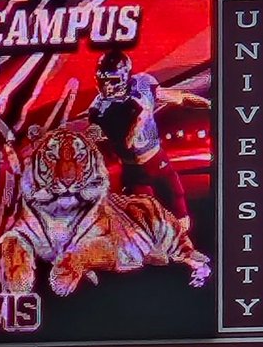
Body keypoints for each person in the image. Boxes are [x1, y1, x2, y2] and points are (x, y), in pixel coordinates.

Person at [87, 49, 209, 233]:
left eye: (112, 81)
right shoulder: (100, 110)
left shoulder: (143, 85)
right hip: (133, 170)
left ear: (125, 76)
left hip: (157, 161)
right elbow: (125, 142)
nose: (107, 87)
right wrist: (137, 119)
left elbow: (178, 97)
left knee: (182, 221)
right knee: (143, 224)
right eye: (103, 81)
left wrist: (208, 104)